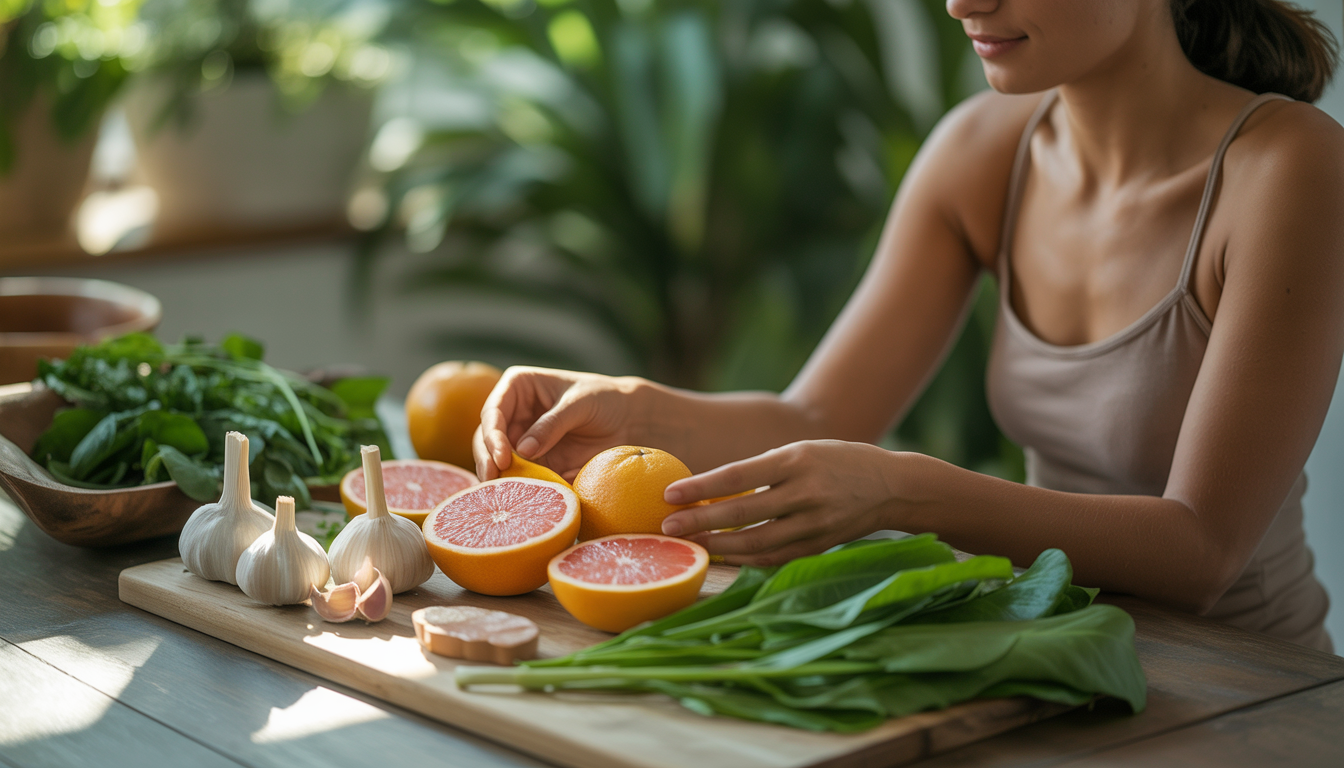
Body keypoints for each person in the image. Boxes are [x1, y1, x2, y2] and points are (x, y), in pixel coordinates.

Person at [472, 0, 1343, 652]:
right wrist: (635, 409)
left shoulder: (1290, 169)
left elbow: (1203, 549)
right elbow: (817, 419)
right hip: (1054, 658)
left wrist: (902, 490)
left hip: (1250, 689)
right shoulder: (983, 150)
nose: (963, 1)